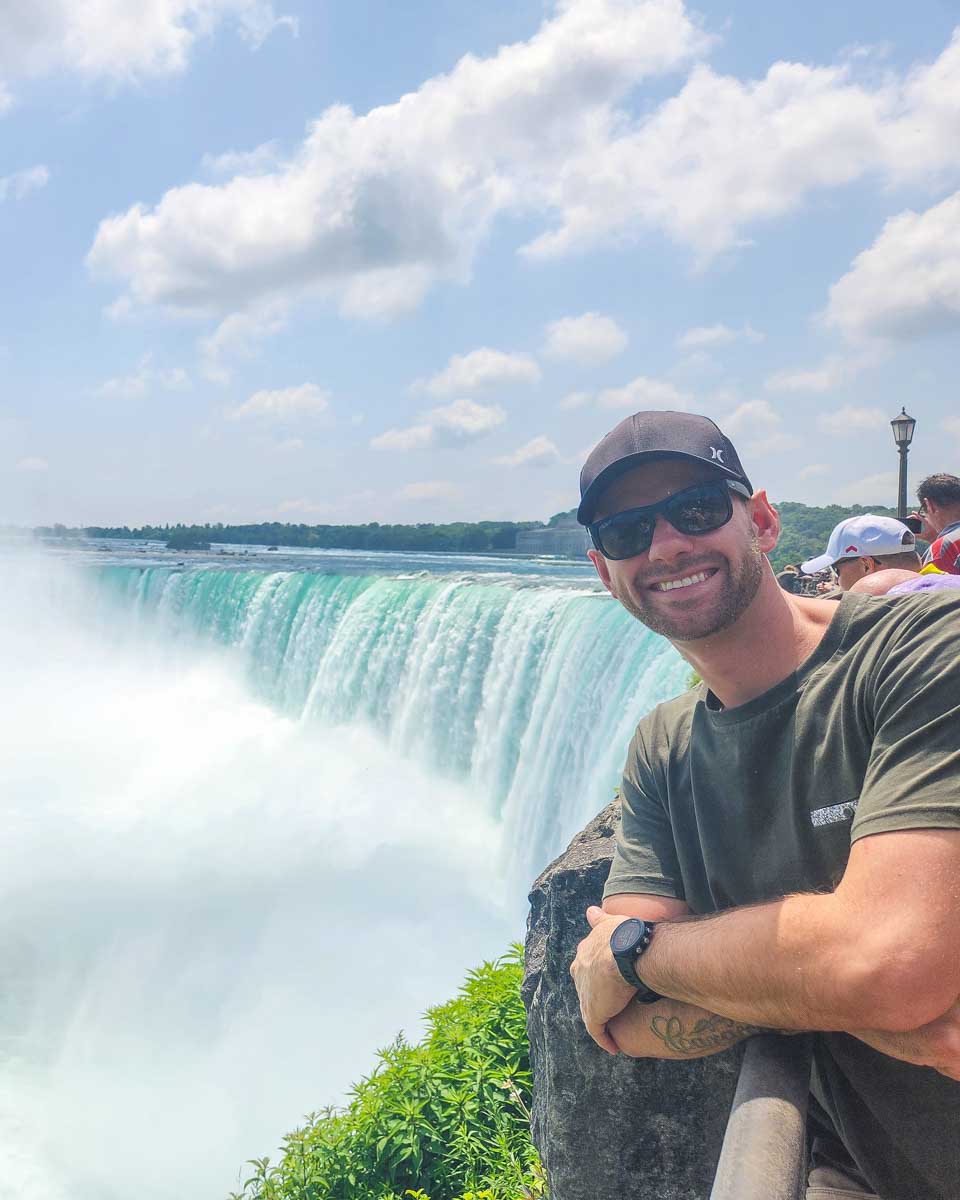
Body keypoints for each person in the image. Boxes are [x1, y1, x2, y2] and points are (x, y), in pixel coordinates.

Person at [567, 410, 960, 1200]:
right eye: (628, 531)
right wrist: (842, 988)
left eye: (699, 509)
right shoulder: (664, 745)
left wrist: (637, 948)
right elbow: (623, 1024)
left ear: (765, 521)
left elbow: (887, 965)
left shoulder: (921, 648)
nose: (668, 544)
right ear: (604, 570)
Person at [800, 514, 921, 592]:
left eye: (836, 570)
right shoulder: (936, 596)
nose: (837, 581)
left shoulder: (869, 623)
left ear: (866, 565)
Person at [912, 474, 960, 574]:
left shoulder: (943, 548)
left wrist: (938, 544)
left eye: (923, 510)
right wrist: (933, 538)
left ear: (930, 506)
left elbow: (936, 588)